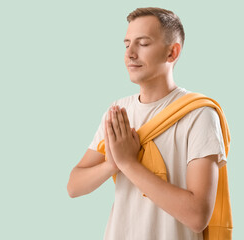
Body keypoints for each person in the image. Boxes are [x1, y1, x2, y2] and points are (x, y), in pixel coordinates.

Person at [67, 7, 228, 240]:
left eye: (143, 44)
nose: (130, 54)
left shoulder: (198, 115)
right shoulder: (118, 112)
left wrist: (128, 163)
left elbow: (197, 216)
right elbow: (74, 186)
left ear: (172, 53)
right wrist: (112, 165)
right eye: (126, 44)